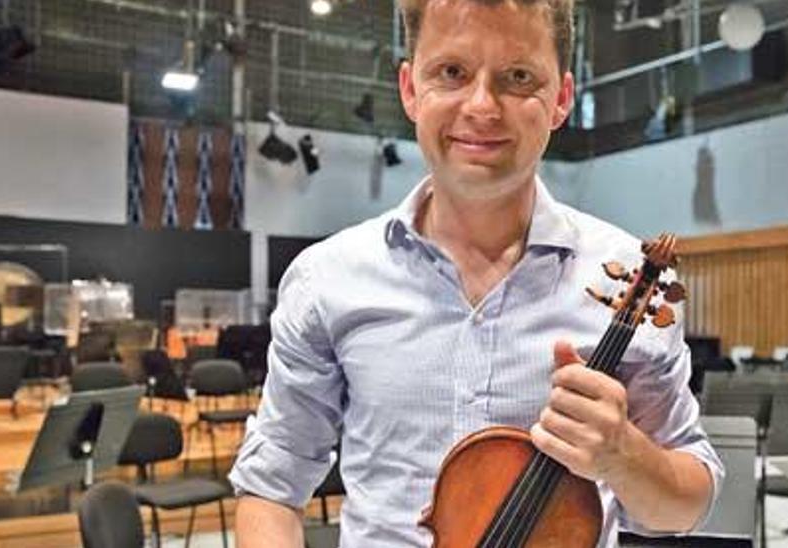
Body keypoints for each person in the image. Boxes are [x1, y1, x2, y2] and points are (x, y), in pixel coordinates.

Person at [230, 1, 724, 546]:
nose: (482, 105)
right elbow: (272, 489)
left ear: (560, 99)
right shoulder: (326, 280)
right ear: (410, 90)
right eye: (451, 72)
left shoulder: (628, 279)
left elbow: (685, 505)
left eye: (517, 77)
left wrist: (624, 456)